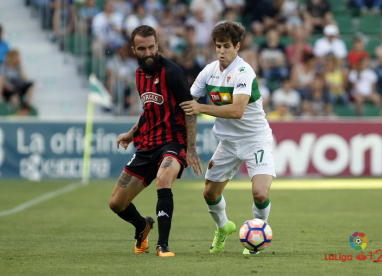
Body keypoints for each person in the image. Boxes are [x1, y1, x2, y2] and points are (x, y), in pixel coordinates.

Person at [180, 22, 276, 255]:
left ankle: (256, 237)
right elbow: (188, 105)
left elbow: (237, 110)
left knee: (260, 193)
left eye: (226, 46)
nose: (221, 51)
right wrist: (189, 146)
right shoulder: (208, 71)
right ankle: (223, 228)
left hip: (256, 139)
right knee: (209, 194)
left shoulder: (244, 72)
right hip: (228, 143)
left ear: (237, 47)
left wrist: (201, 107)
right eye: (218, 46)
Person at [108, 25, 202, 258]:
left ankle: (163, 245)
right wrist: (132, 132)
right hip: (147, 144)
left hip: (173, 142)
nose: (148, 52)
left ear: (157, 46)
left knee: (163, 177)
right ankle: (142, 226)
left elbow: (190, 110)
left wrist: (191, 149)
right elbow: (149, 110)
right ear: (134, 50)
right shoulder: (139, 75)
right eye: (142, 49)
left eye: (151, 47)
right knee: (116, 204)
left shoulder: (172, 73)